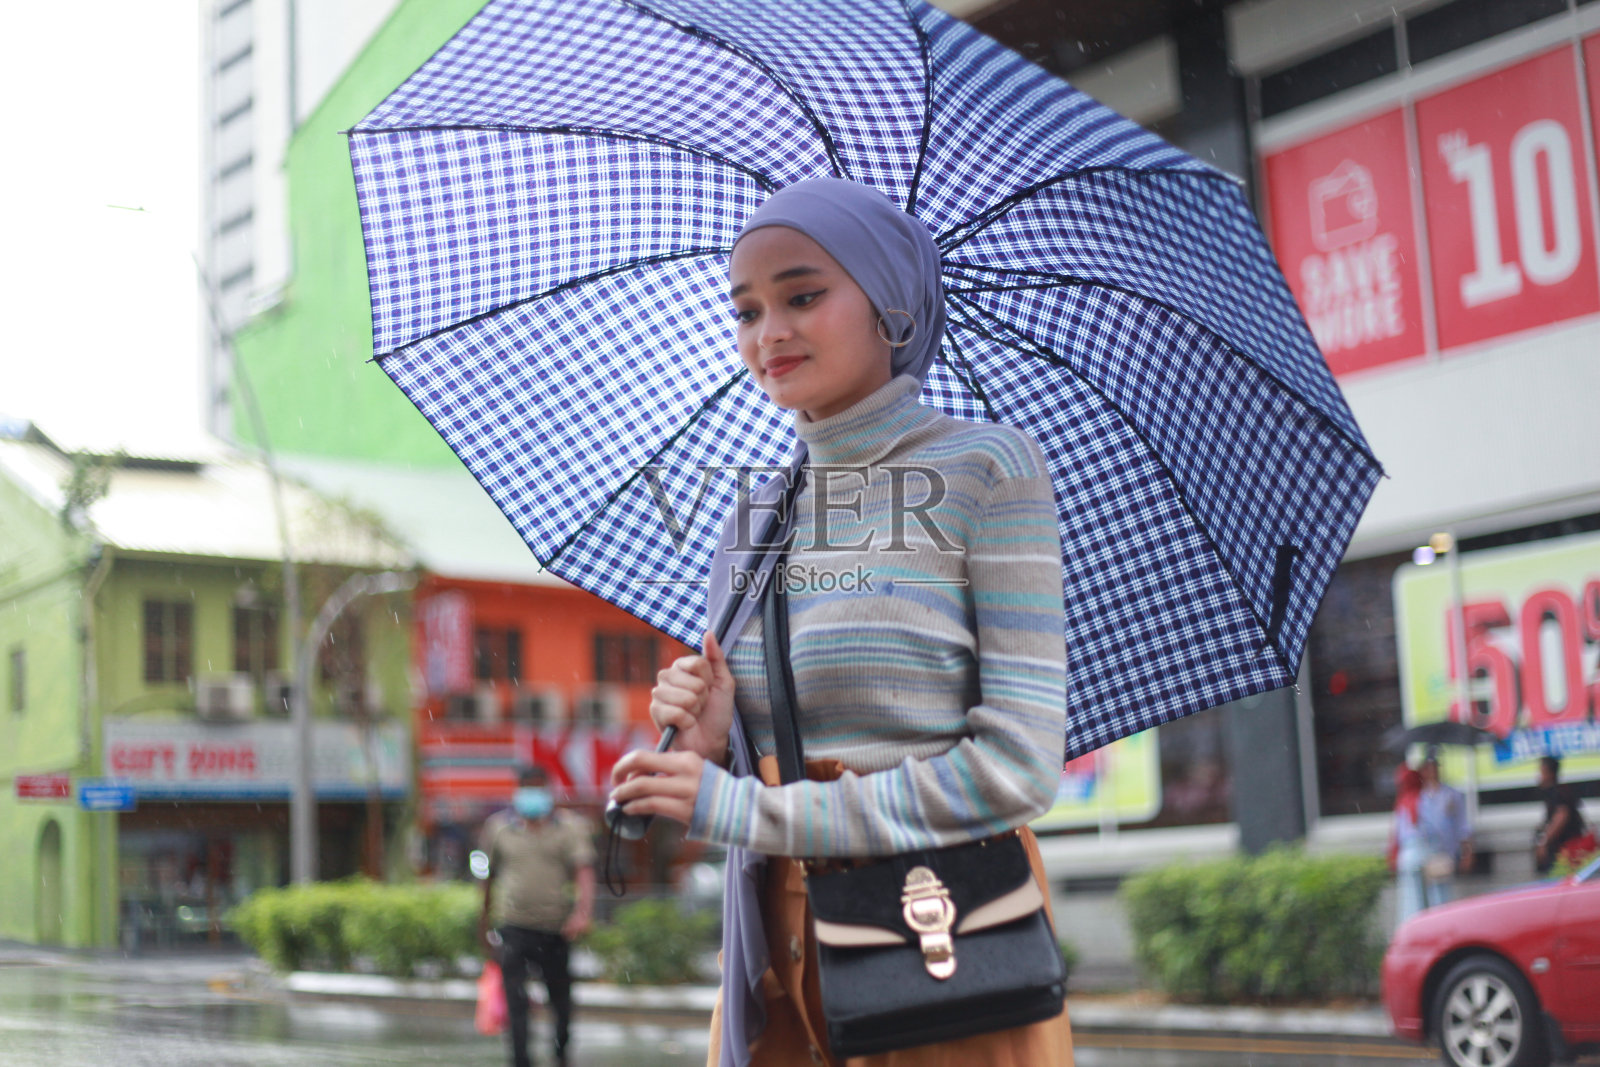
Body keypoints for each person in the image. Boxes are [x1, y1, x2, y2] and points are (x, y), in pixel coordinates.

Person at [608, 177, 1074, 1066]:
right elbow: (758, 771)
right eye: (745, 310)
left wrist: (751, 807)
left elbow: (1017, 769)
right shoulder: (754, 516)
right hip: (774, 963)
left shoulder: (988, 469)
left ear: (893, 308)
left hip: (943, 940)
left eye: (803, 295)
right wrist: (713, 739)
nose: (767, 333)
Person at [480, 765, 596, 1067]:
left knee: (561, 1002)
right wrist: (484, 925)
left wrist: (582, 913)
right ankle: (520, 1060)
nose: (533, 794)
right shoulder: (499, 828)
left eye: (538, 787)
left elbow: (584, 872)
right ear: (517, 791)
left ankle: (561, 1056)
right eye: (527, 787)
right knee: (516, 1002)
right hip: (513, 928)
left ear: (549, 790)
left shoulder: (569, 828)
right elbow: (486, 877)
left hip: (556, 929)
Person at [1415, 751, 1473, 904]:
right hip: (1426, 850)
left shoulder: (1451, 794)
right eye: (1428, 768)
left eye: (1434, 768)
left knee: (1445, 890)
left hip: (1446, 850)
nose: (1432, 772)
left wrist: (1466, 850)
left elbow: (1462, 823)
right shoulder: (1420, 797)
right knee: (1428, 893)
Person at [1534, 755, 1588, 873]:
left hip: (1564, 852)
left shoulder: (1557, 793)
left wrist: (1544, 842)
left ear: (1550, 773)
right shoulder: (1561, 791)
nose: (1539, 776)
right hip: (1565, 851)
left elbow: (1562, 816)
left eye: (1541, 772)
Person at [1390, 765, 1426, 928]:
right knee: (1424, 897)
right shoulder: (1423, 799)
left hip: (1407, 854)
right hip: (1422, 850)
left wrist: (1393, 856)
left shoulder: (1402, 802)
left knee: (1410, 896)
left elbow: (1396, 835)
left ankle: (1412, 926)